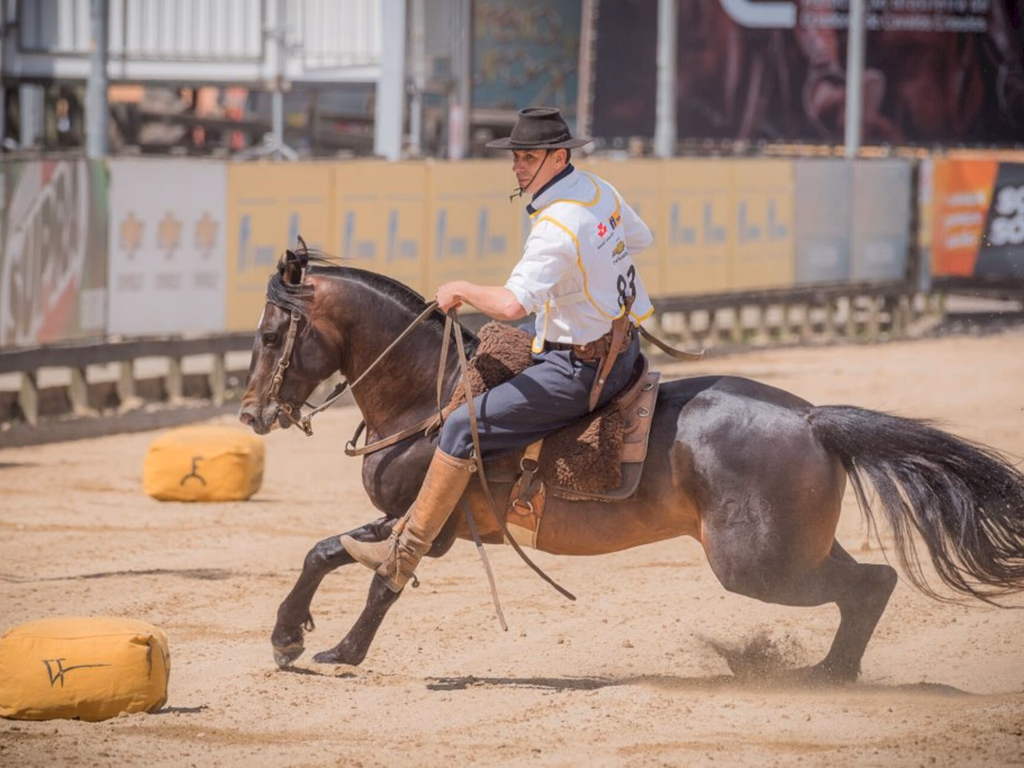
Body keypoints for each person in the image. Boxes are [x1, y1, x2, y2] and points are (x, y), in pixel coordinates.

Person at [341, 106, 655, 592]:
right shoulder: (595, 190)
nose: (518, 166)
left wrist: (463, 289)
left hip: (579, 368)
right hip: (622, 348)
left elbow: (510, 305)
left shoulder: (556, 225)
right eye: (515, 157)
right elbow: (640, 237)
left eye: (529, 157)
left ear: (557, 158)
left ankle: (404, 551)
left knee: (463, 422)